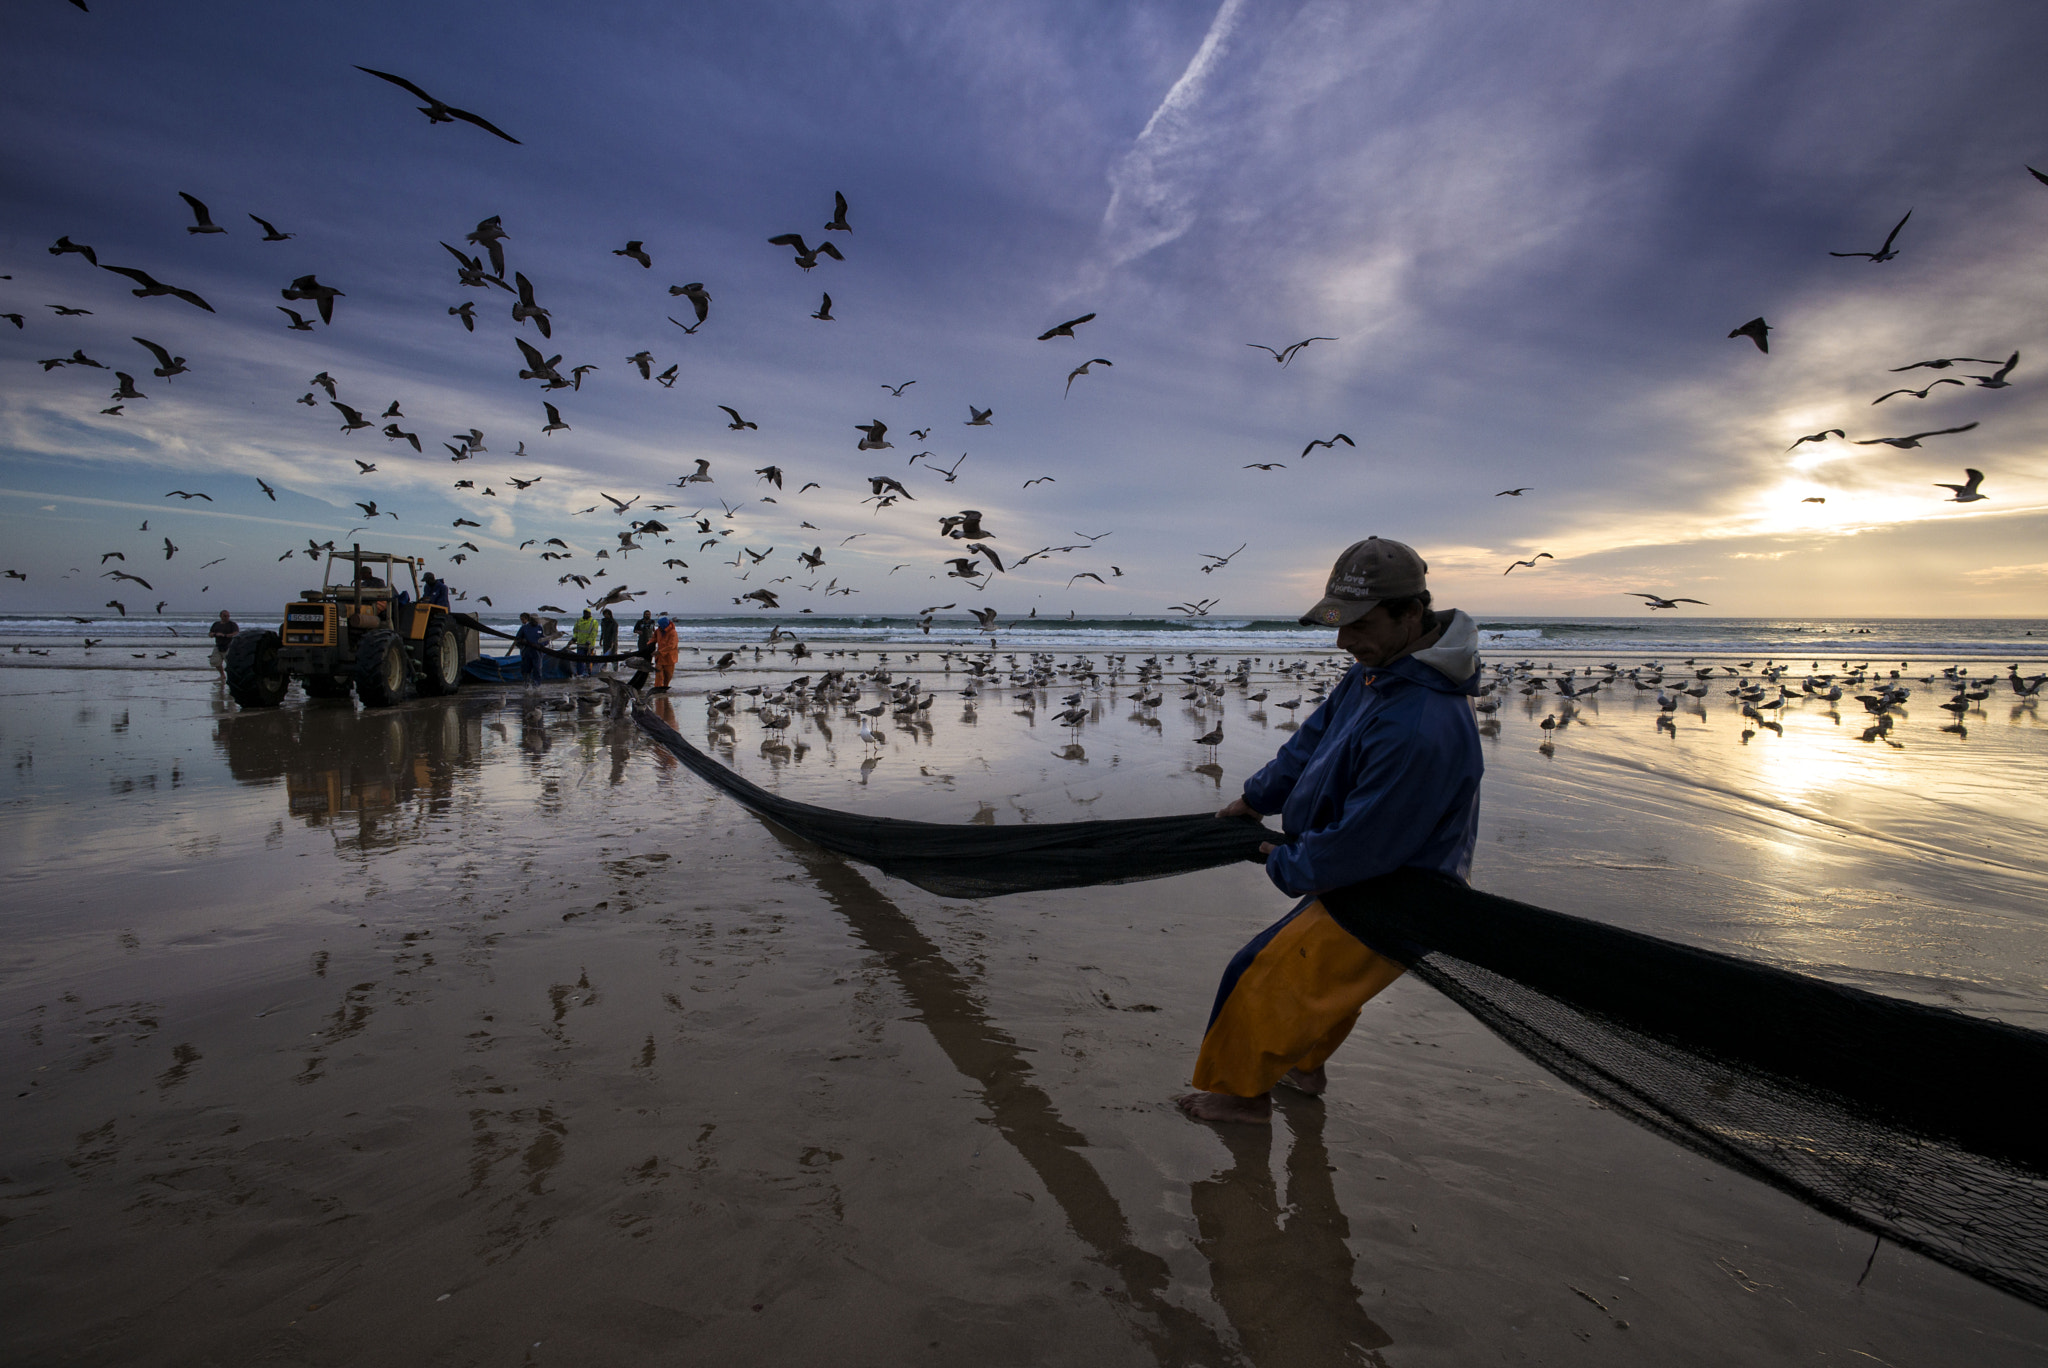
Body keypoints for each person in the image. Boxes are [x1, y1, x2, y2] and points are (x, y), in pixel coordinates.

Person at [1175, 537, 1484, 1125]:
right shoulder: (1380, 672)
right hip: (1355, 866)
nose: (1344, 641)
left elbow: (1369, 839)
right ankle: (1305, 1069)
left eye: (1359, 624)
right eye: (1338, 624)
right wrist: (1255, 798)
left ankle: (1240, 1098)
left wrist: (1290, 864)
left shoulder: (1422, 722)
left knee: (1262, 974)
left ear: (1411, 613)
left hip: (1402, 886)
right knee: (1322, 983)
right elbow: (1312, 741)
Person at [514, 612, 545, 685]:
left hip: (537, 652)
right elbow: (517, 639)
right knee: (526, 669)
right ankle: (526, 685)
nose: (535, 621)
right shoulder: (524, 628)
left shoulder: (540, 628)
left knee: (537, 669)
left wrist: (541, 644)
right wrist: (522, 644)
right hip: (526, 652)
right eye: (533, 619)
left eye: (536, 619)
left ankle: (536, 686)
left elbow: (546, 639)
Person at [207, 609, 239, 678]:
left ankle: (232, 676)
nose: (227, 617)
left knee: (230, 663)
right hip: (218, 645)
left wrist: (225, 635)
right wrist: (215, 634)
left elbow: (236, 633)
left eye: (228, 616)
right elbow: (210, 634)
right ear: (220, 616)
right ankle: (222, 675)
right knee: (215, 661)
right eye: (225, 616)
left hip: (229, 646)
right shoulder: (216, 624)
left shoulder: (232, 624)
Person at [651, 615, 680, 691]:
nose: (659, 627)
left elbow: (671, 646)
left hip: (669, 658)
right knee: (658, 675)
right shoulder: (658, 631)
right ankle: (658, 689)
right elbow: (654, 638)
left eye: (660, 625)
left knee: (668, 676)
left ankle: (664, 689)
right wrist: (649, 644)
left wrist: (659, 652)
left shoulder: (673, 633)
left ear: (664, 625)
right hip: (660, 658)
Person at [571, 609, 598, 676]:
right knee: (579, 660)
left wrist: (589, 641)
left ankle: (588, 673)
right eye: (585, 613)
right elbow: (575, 631)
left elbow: (594, 633)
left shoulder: (594, 622)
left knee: (588, 660)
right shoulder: (579, 621)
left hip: (589, 645)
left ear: (590, 614)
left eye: (587, 613)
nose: (586, 614)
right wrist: (574, 639)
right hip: (580, 644)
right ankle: (580, 673)